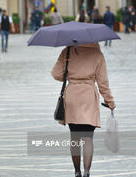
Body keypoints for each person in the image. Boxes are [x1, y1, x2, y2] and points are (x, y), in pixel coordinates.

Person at [51, 43, 116, 177]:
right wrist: (109, 101)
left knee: (74, 136)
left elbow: (56, 74)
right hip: (88, 97)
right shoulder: (97, 54)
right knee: (88, 137)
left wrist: (71, 73)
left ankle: (76, 172)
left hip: (72, 96)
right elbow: (103, 83)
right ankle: (87, 172)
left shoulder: (67, 52)